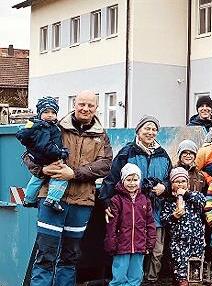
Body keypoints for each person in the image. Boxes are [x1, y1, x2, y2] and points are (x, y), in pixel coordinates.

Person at [23, 90, 113, 286]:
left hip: (82, 202)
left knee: (69, 258)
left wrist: (74, 173)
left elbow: (105, 164)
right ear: (75, 105)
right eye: (82, 104)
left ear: (96, 108)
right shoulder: (55, 128)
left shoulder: (101, 136)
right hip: (51, 199)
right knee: (45, 255)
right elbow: (28, 155)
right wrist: (43, 169)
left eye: (90, 105)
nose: (85, 108)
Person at [99, 115, 171, 284]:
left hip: (155, 210)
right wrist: (107, 201)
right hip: (128, 210)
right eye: (147, 128)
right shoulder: (127, 152)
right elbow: (112, 178)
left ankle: (146, 282)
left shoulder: (163, 154)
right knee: (125, 252)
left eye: (154, 129)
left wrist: (165, 187)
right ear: (138, 130)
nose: (151, 132)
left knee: (154, 251)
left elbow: (170, 178)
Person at [104, 163, 157, 286]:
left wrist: (150, 242)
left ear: (139, 181)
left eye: (135, 180)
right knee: (119, 275)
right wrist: (112, 242)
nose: (132, 183)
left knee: (136, 276)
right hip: (121, 245)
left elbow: (150, 223)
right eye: (128, 180)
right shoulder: (116, 200)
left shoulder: (145, 200)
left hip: (139, 245)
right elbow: (112, 225)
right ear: (123, 180)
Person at [17, 96, 69, 212]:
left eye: (53, 112)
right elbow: (45, 146)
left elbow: (22, 134)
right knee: (60, 177)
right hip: (48, 158)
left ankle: (28, 199)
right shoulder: (45, 128)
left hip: (38, 159)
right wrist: (61, 153)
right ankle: (52, 199)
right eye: (46, 112)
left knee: (36, 179)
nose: (50, 115)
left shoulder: (33, 124)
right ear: (39, 113)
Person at [160, 167, 206, 286]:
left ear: (188, 183)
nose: (180, 184)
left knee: (195, 270)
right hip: (179, 243)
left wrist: (186, 194)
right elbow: (164, 220)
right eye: (177, 181)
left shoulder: (194, 196)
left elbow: (202, 202)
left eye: (183, 181)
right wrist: (173, 216)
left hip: (196, 242)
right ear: (172, 184)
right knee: (181, 271)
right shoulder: (169, 201)